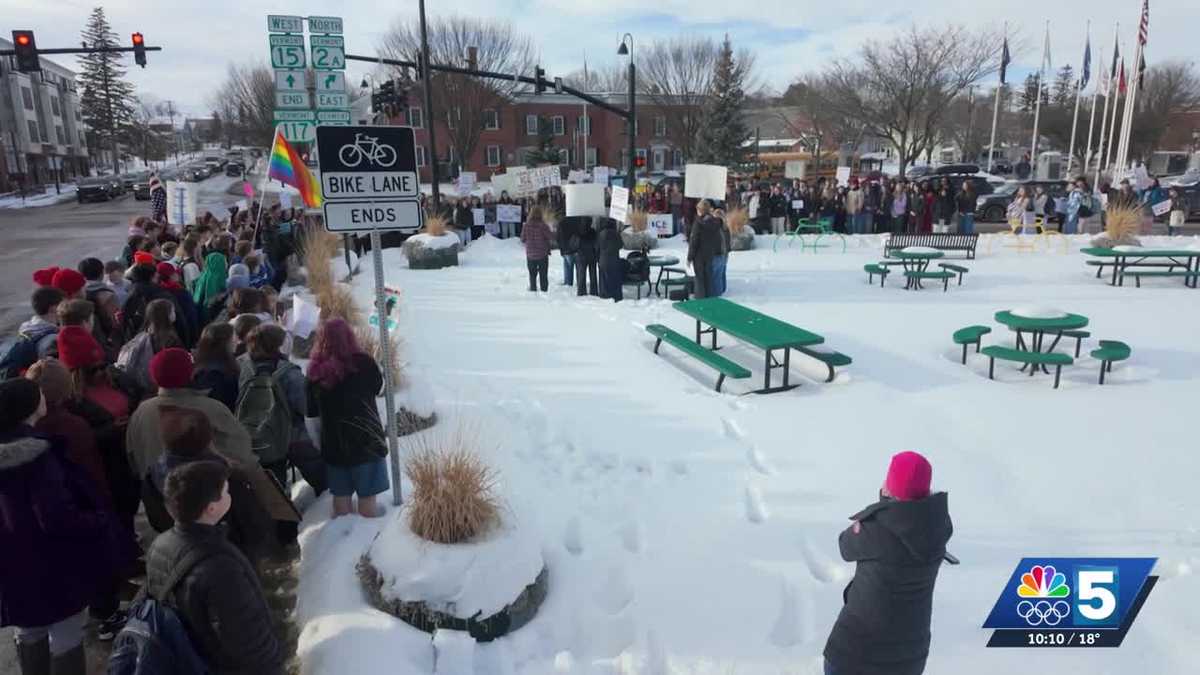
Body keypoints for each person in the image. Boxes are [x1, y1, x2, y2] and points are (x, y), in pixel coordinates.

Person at [0, 378, 136, 675]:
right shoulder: (38, 457)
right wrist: (97, 521)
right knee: (66, 634)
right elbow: (57, 516)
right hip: (52, 564)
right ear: (29, 407)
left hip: (11, 566)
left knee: (28, 630)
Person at [144, 461, 285, 675]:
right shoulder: (221, 568)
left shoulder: (159, 545)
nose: (230, 494)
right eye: (226, 491)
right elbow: (247, 640)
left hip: (191, 658)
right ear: (211, 508)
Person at [823, 451, 953, 675]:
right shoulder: (935, 528)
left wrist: (881, 505)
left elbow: (845, 546)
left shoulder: (877, 529)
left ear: (890, 486)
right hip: (909, 660)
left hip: (856, 653)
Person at [126, 348, 256, 481]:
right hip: (206, 490)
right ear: (191, 372)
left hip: (153, 490)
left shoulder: (141, 412)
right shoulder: (213, 408)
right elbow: (243, 454)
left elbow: (133, 458)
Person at [306, 319, 389, 518]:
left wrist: (321, 444)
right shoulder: (365, 363)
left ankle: (341, 531)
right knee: (367, 499)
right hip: (367, 442)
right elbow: (380, 388)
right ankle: (364, 533)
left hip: (334, 445)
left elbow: (311, 417)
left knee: (340, 498)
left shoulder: (314, 372)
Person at [237, 325, 325, 492]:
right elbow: (306, 406)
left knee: (273, 489)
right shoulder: (288, 372)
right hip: (292, 438)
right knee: (323, 480)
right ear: (278, 345)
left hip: (254, 436)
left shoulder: (242, 367)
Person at [193, 323, 240, 411]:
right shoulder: (214, 374)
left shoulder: (203, 364)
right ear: (225, 342)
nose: (238, 341)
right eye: (234, 337)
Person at [688, 200, 724, 299]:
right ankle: (709, 298)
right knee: (708, 277)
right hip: (710, 253)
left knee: (699, 278)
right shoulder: (716, 222)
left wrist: (690, 257)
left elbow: (694, 241)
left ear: (700, 210)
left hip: (699, 254)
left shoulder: (698, 223)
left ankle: (700, 299)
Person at [520, 205, 553, 293]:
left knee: (532, 274)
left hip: (530, 254)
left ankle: (533, 289)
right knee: (543, 274)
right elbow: (550, 236)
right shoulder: (543, 226)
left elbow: (522, 239)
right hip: (542, 253)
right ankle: (544, 290)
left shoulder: (526, 226)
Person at [191, 251, 229, 322]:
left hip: (199, 314)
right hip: (212, 315)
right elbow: (211, 300)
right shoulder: (216, 278)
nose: (226, 263)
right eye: (225, 261)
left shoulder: (203, 275)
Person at [596, 217, 624, 301]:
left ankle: (605, 295)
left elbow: (597, 247)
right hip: (614, 260)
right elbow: (621, 245)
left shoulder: (600, 234)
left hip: (603, 260)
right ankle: (616, 296)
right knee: (615, 278)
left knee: (604, 279)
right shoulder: (616, 234)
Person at [575, 216, 600, 296]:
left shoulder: (578, 231)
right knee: (593, 275)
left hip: (581, 256)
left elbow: (575, 244)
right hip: (592, 255)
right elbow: (596, 244)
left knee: (581, 275)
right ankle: (594, 291)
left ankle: (581, 291)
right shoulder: (593, 231)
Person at [557, 215, 582, 286]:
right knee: (579, 269)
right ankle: (580, 283)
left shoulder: (562, 222)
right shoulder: (579, 220)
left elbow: (558, 237)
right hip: (577, 249)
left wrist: (561, 249)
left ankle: (568, 283)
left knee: (568, 267)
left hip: (566, 250)